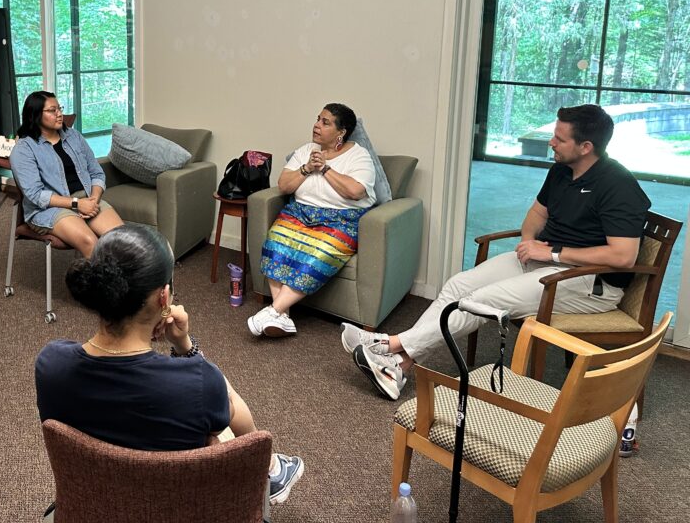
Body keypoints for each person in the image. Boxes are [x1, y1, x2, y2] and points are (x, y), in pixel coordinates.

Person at [346, 104, 651, 401]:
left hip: (592, 283)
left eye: (560, 138)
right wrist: (529, 244)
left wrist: (553, 253)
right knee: (459, 285)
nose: (551, 142)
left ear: (585, 146)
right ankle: (398, 368)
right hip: (545, 262)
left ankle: (389, 345)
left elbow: (623, 256)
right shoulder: (561, 170)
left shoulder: (618, 185)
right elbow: (537, 213)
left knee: (481, 301)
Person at [35, 224, 305, 508]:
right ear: (164, 297)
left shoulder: (51, 364)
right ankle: (273, 471)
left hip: (93, 506)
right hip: (174, 509)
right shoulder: (197, 382)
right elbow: (232, 412)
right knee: (224, 419)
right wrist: (184, 345)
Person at [247, 103, 376, 338]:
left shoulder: (359, 155)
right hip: (299, 214)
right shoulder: (306, 149)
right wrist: (307, 168)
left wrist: (325, 168)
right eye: (318, 119)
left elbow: (356, 191)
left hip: (340, 221)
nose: (316, 125)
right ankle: (282, 317)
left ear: (341, 132)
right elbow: (284, 185)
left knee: (318, 255)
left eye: (325, 122)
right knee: (274, 243)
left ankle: (274, 310)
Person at [9, 91, 124, 258]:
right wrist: (77, 204)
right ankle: (98, 284)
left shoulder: (73, 136)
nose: (59, 114)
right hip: (50, 209)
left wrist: (93, 199)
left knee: (123, 240)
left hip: (86, 199)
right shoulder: (24, 149)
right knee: (91, 243)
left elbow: (96, 172)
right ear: (35, 115)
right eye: (52, 110)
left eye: (60, 108)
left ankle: (123, 284)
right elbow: (35, 194)